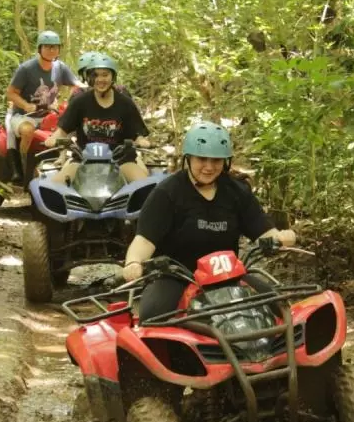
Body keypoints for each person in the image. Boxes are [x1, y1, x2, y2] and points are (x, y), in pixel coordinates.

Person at [121, 121, 296, 322]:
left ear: (226, 162)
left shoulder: (237, 191)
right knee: (153, 317)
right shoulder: (166, 193)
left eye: (217, 160)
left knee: (279, 306)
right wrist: (133, 262)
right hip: (175, 276)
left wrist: (281, 238)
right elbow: (144, 239)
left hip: (227, 275)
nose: (209, 167)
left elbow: (263, 230)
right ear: (188, 158)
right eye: (202, 159)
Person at [45, 53, 151, 184]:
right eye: (95, 75)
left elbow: (137, 133)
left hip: (121, 160)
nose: (100, 79)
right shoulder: (80, 102)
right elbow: (63, 129)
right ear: (88, 78)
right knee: (55, 186)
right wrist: (53, 138)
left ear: (113, 76)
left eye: (105, 74)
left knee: (144, 187)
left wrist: (141, 140)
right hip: (83, 159)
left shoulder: (125, 103)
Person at [5, 30, 79, 173]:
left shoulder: (60, 67)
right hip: (23, 116)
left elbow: (77, 85)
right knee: (27, 131)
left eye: (55, 47)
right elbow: (10, 93)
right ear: (40, 48)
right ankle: (24, 168)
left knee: (72, 129)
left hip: (49, 115)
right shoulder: (26, 69)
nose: (51, 50)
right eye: (47, 47)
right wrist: (26, 105)